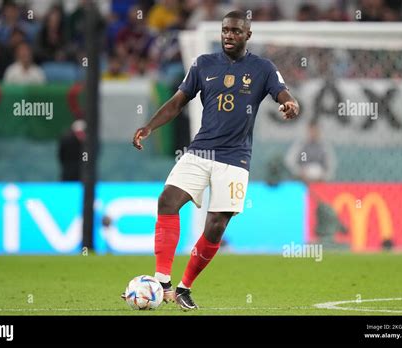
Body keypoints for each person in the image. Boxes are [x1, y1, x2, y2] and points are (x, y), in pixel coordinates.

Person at [128, 10, 299, 310]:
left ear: (248, 35)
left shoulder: (262, 68)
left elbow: (282, 93)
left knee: (216, 225)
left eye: (235, 31)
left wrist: (289, 103)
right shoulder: (203, 64)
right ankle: (162, 281)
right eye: (225, 30)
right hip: (200, 151)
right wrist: (149, 126)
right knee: (167, 201)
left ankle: (184, 287)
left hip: (234, 159)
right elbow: (178, 102)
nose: (229, 35)